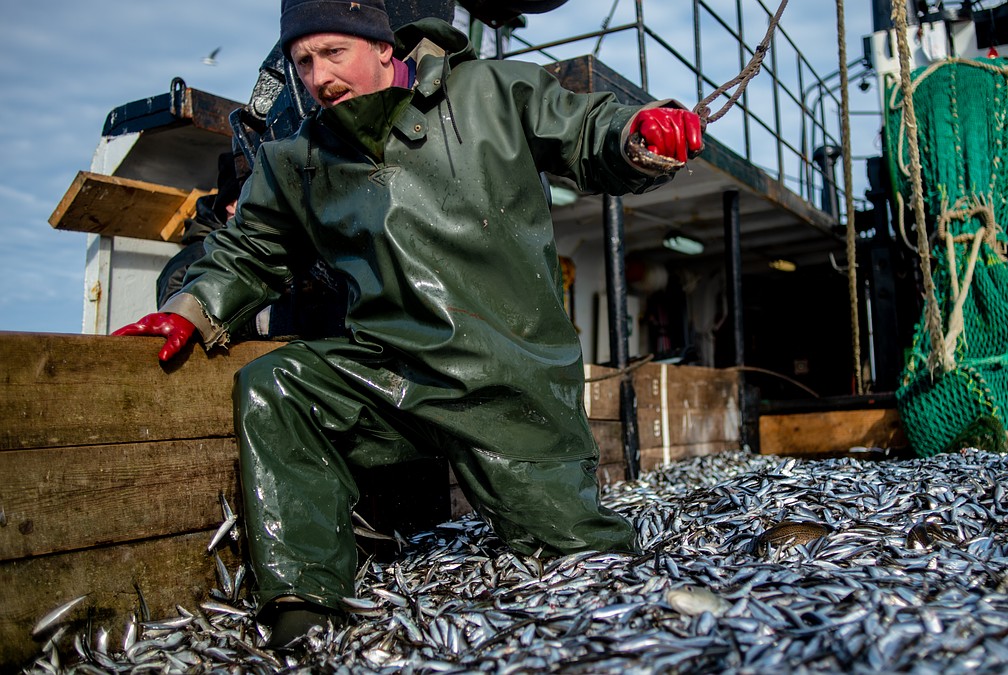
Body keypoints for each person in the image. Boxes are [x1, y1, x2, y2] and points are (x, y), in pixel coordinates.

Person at [114, 0, 703, 649]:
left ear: (383, 47)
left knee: (584, 560)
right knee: (275, 386)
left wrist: (641, 134)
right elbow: (249, 249)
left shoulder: (489, 92)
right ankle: (303, 601)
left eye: (333, 53)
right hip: (389, 374)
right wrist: (189, 310)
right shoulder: (296, 159)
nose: (318, 76)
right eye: (303, 61)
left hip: (509, 382)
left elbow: (585, 128)